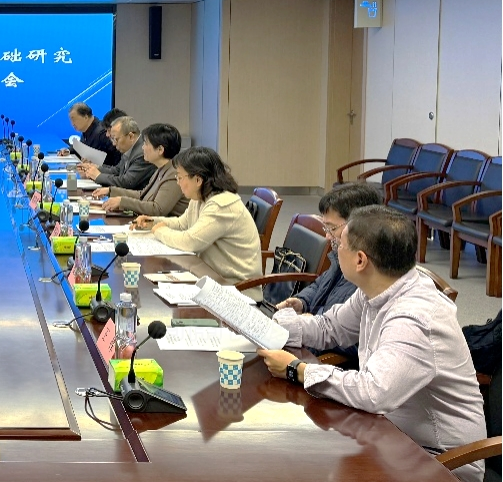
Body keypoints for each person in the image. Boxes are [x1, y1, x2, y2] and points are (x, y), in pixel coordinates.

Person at [258, 205, 486, 482]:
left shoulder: (414, 318)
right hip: (389, 433)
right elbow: (330, 328)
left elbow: (373, 392)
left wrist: (297, 370)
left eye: (340, 245)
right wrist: (269, 326)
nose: (334, 248)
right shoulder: (378, 288)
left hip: (441, 461)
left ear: (360, 260)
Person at [273, 183, 382, 368]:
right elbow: (319, 284)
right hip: (311, 342)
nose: (328, 237)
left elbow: (354, 340)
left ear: (357, 226)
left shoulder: (366, 276)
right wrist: (302, 302)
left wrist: (311, 319)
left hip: (324, 362)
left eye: (332, 228)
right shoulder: (343, 257)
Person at [132, 147, 262, 295]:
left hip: (237, 290)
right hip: (211, 278)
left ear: (198, 180)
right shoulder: (200, 197)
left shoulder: (221, 205)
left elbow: (190, 242)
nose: (178, 183)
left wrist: (160, 231)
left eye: (180, 177)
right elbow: (182, 224)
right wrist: (153, 222)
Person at [93, 123, 188, 217]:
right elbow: (142, 194)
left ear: (160, 150)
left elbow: (157, 209)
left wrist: (122, 202)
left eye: (146, 144)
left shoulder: (174, 174)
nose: (143, 148)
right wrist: (110, 191)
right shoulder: (161, 169)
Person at [76, 116, 155, 190]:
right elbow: (117, 170)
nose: (113, 144)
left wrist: (98, 176)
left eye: (116, 139)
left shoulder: (142, 153)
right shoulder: (130, 148)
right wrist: (95, 167)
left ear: (130, 136)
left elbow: (127, 182)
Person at [56, 102, 121, 167]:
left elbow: (117, 161)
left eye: (74, 119)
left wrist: (96, 166)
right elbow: (82, 148)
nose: (72, 124)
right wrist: (68, 151)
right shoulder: (86, 130)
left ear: (86, 117)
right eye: (71, 120)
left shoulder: (103, 133)